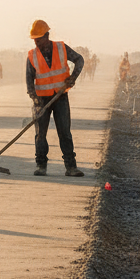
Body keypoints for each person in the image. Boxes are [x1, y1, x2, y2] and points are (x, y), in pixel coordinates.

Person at [25, 19, 84, 177]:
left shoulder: (61, 48)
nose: (36, 42)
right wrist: (36, 102)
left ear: (47, 36)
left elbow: (80, 60)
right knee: (40, 134)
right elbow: (29, 82)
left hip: (60, 97)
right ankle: (41, 166)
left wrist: (73, 77)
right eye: (34, 39)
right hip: (41, 100)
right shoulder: (32, 56)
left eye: (39, 38)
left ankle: (71, 167)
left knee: (64, 132)